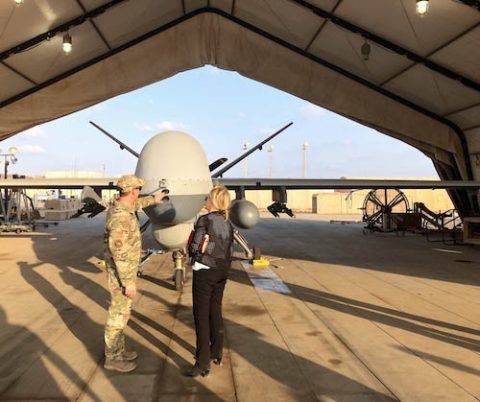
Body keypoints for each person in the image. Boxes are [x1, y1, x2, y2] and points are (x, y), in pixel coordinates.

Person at [103, 174, 167, 372]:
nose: (139, 192)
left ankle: (119, 350)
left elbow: (135, 204)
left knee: (123, 313)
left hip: (124, 273)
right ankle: (112, 358)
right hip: (121, 275)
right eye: (138, 189)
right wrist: (128, 282)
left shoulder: (122, 206)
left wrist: (154, 199)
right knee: (117, 315)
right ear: (133, 191)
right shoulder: (120, 217)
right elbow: (119, 253)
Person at [187, 186, 234, 377]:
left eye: (207, 198)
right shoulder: (227, 222)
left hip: (205, 271)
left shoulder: (204, 220)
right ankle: (217, 351)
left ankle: (202, 361)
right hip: (222, 271)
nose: (205, 200)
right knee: (215, 310)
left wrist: (191, 252)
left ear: (213, 201)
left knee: (201, 315)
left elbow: (195, 246)